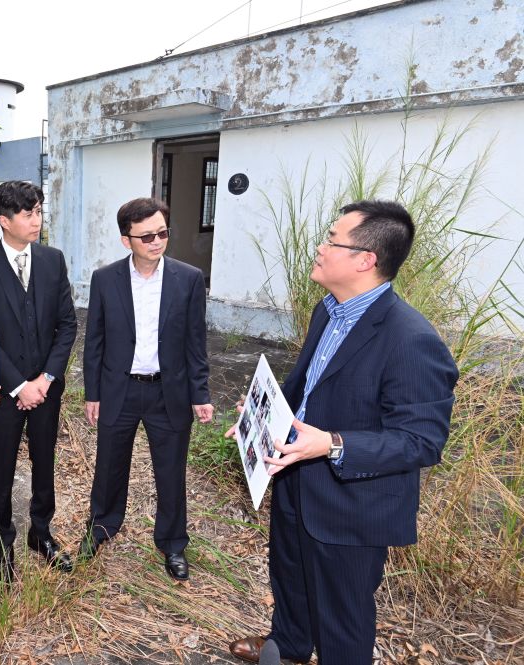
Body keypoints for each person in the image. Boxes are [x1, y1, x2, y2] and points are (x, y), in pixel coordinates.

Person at [228, 200, 458, 665]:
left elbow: (422, 440)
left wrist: (332, 444)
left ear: (365, 260)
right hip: (296, 479)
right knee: (289, 576)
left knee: (343, 620)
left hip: (352, 505)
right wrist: (260, 414)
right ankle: (289, 645)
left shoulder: (411, 339)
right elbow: (306, 388)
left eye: (331, 240)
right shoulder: (328, 311)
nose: (319, 248)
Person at [79, 197, 214, 580]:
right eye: (147, 236)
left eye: (163, 233)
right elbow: (95, 341)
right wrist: (94, 393)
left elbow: (195, 343)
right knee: (108, 467)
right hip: (118, 390)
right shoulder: (106, 279)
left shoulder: (188, 278)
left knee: (170, 473)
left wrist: (199, 394)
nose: (157, 241)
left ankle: (173, 544)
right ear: (127, 241)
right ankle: (102, 527)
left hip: (167, 393)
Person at [0, 181, 77, 579]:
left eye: (39, 211)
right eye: (28, 214)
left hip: (46, 389)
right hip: (5, 391)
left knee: (44, 459)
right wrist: (18, 385)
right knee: (0, 467)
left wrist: (46, 378)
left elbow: (66, 325)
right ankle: (4, 543)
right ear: (4, 221)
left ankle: (41, 533)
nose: (37, 220)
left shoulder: (52, 260)